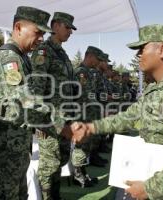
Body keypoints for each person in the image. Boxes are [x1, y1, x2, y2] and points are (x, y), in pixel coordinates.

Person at [72, 24, 163, 200]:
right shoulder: (155, 88)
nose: (138, 55)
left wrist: (149, 188)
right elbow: (129, 116)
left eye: (142, 48)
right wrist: (91, 128)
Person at [0, 6, 52, 200]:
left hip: (15, 147)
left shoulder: (22, 58)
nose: (41, 38)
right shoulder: (9, 58)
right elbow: (25, 103)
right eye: (38, 32)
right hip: (2, 151)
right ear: (18, 27)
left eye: (43, 34)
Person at [30, 11, 77, 200]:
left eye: (71, 29)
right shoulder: (43, 50)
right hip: (49, 119)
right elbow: (36, 88)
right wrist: (40, 121)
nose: (70, 32)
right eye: (67, 27)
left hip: (65, 117)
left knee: (61, 159)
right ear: (55, 26)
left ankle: (55, 195)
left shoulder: (62, 53)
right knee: (49, 164)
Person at [71, 46, 105, 187]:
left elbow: (92, 95)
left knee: (86, 146)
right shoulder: (81, 73)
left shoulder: (89, 73)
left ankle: (83, 173)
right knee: (81, 146)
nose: (98, 62)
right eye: (97, 59)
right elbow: (80, 97)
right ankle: (78, 176)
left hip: (89, 115)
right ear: (90, 56)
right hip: (81, 115)